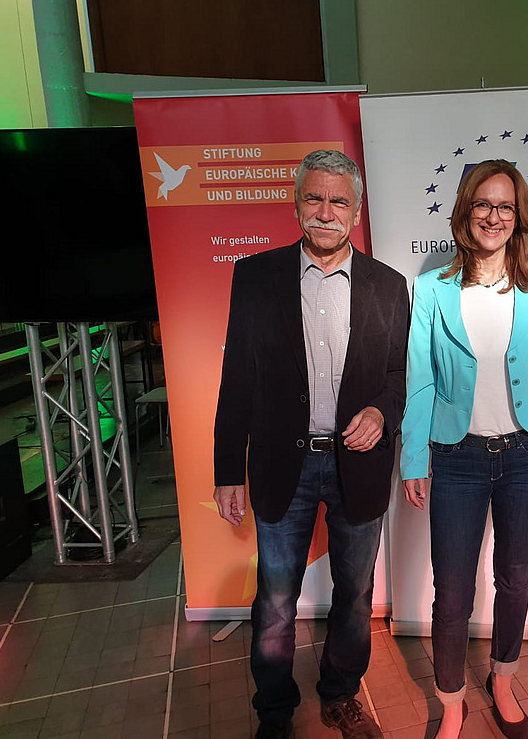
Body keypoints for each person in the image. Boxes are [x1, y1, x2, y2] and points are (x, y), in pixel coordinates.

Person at [213, 150, 409, 739]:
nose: (326, 212)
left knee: (355, 595)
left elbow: (400, 375)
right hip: (283, 466)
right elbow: (236, 380)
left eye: (338, 201)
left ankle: (341, 693)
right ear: (297, 204)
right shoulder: (255, 277)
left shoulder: (389, 285)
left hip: (360, 466)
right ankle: (274, 711)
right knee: (276, 601)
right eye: (314, 198)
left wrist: (381, 411)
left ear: (356, 211)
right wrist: (227, 471)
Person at [401, 159, 528, 739]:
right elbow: (420, 380)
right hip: (456, 459)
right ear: (465, 211)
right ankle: (452, 700)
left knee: (514, 578)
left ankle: (503, 680)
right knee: (451, 590)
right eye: (483, 203)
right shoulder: (432, 288)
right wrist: (413, 458)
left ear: (519, 215)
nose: (494, 216)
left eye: (505, 205)